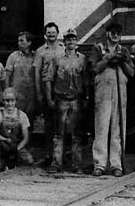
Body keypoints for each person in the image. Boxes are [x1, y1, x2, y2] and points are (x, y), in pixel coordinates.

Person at [89, 21, 134, 177]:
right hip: (103, 92)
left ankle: (116, 164)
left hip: (120, 92)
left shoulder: (124, 50)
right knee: (101, 127)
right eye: (113, 32)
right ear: (107, 33)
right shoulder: (98, 48)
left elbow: (131, 73)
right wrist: (108, 58)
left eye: (118, 33)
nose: (115, 35)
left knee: (118, 128)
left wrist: (121, 61)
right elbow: (95, 68)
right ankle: (100, 164)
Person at [44, 28, 89, 174]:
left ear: (76, 41)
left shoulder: (82, 59)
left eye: (73, 39)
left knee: (77, 134)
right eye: (68, 39)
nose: (71, 42)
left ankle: (77, 165)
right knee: (58, 133)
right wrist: (50, 98)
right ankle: (56, 163)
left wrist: (86, 98)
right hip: (61, 100)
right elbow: (49, 79)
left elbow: (86, 81)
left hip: (76, 99)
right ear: (65, 41)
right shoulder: (57, 59)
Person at [34, 22, 65, 166]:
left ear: (57, 34)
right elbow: (37, 73)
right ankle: (48, 153)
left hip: (60, 89)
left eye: (53, 32)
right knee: (48, 123)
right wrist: (40, 94)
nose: (51, 34)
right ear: (45, 34)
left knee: (61, 122)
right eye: (49, 32)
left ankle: (59, 155)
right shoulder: (40, 51)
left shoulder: (63, 49)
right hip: (46, 89)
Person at [0, 87, 34, 173]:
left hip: (16, 145)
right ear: (3, 101)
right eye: (7, 101)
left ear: (16, 101)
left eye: (12, 101)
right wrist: (5, 139)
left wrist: (18, 148)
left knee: (29, 161)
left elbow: (26, 137)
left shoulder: (22, 115)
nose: (10, 104)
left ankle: (13, 163)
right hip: (3, 144)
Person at [5, 32, 36, 123]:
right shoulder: (13, 56)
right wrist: (7, 93)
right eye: (18, 41)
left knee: (28, 122)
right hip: (17, 97)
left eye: (22, 41)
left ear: (29, 43)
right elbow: (7, 76)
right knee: (15, 123)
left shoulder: (36, 56)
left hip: (31, 97)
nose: (19, 43)